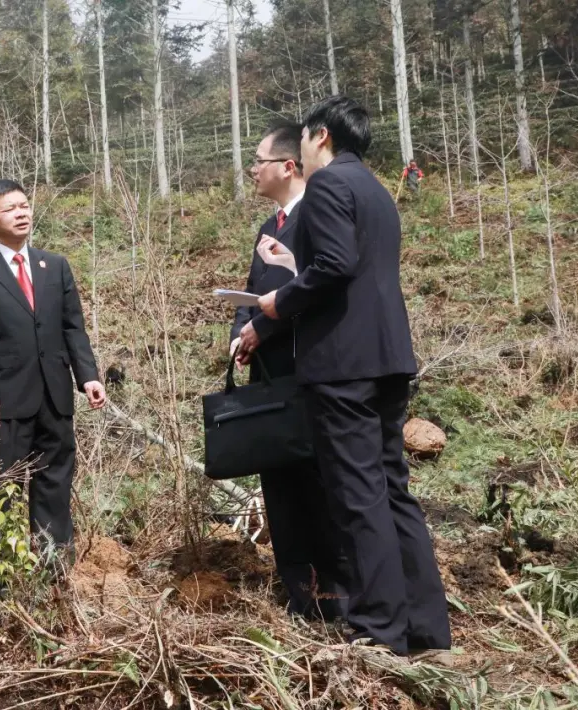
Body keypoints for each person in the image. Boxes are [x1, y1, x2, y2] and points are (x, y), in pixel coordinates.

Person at [255, 96, 451, 655]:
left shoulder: (327, 186)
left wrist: (279, 301)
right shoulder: (379, 190)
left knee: (358, 496)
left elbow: (335, 266)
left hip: (344, 364)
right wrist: (302, 276)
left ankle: (378, 629)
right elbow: (353, 268)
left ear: (319, 137)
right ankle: (426, 627)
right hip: (388, 357)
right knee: (393, 491)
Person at [0, 179, 106, 614]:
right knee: (3, 487)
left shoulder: (53, 266)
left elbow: (73, 327)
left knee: (55, 481)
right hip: (4, 401)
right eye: (9, 209)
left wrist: (87, 375)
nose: (21, 213)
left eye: (24, 206)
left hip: (55, 394)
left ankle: (53, 571)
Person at [230, 121, 345, 620]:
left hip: (309, 372)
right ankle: (297, 591)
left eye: (258, 161)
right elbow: (254, 291)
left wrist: (264, 330)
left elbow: (314, 293)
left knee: (317, 482)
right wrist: (241, 332)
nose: (251, 170)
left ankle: (335, 592)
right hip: (268, 377)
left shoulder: (315, 218)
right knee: (279, 484)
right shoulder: (267, 227)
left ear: (287, 165)